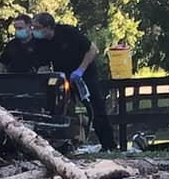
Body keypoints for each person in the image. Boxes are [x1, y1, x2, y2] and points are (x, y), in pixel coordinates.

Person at [31, 11, 117, 151]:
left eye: (38, 28)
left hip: (84, 73)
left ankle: (109, 144)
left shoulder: (68, 33)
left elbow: (93, 50)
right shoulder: (40, 43)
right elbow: (43, 63)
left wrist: (80, 70)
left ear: (48, 27)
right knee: (63, 108)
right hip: (64, 77)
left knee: (95, 107)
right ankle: (65, 143)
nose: (35, 31)